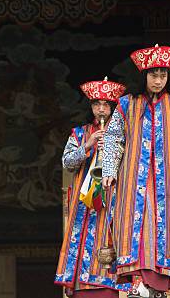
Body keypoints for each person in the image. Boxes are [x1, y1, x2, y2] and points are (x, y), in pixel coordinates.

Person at [101, 44, 170, 298]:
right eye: (153, 75)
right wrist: (110, 168)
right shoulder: (126, 104)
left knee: (167, 230)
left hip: (168, 181)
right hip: (135, 179)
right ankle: (140, 283)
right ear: (143, 75)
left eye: (163, 75)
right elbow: (114, 138)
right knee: (139, 227)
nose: (158, 81)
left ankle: (159, 287)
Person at [55, 77, 129, 298]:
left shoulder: (123, 132)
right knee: (82, 240)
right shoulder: (79, 133)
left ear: (113, 107)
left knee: (111, 240)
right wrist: (87, 146)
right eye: (97, 104)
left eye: (106, 104)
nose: (101, 109)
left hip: (113, 200)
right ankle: (78, 283)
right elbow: (67, 163)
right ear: (91, 107)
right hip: (84, 202)